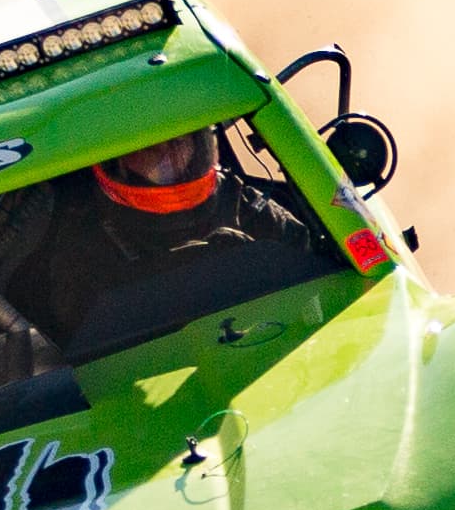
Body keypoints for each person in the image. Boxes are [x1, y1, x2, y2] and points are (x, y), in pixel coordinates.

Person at [28, 127, 327, 347]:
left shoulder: (240, 201)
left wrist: (252, 258)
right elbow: (83, 342)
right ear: (113, 161)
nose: (169, 158)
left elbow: (316, 277)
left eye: (179, 142)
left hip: (267, 341)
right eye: (149, 149)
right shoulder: (83, 238)